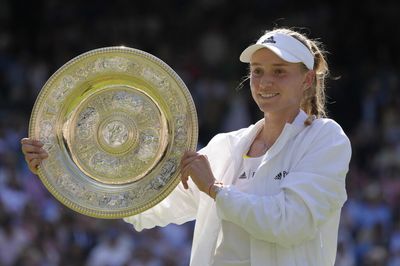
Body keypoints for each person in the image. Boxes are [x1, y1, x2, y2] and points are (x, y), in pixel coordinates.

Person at [21, 27, 352, 266]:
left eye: (279, 72)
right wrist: (62, 167)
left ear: (307, 80)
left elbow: (289, 224)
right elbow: (150, 206)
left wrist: (215, 190)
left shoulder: (325, 139)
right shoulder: (225, 146)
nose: (265, 82)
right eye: (257, 71)